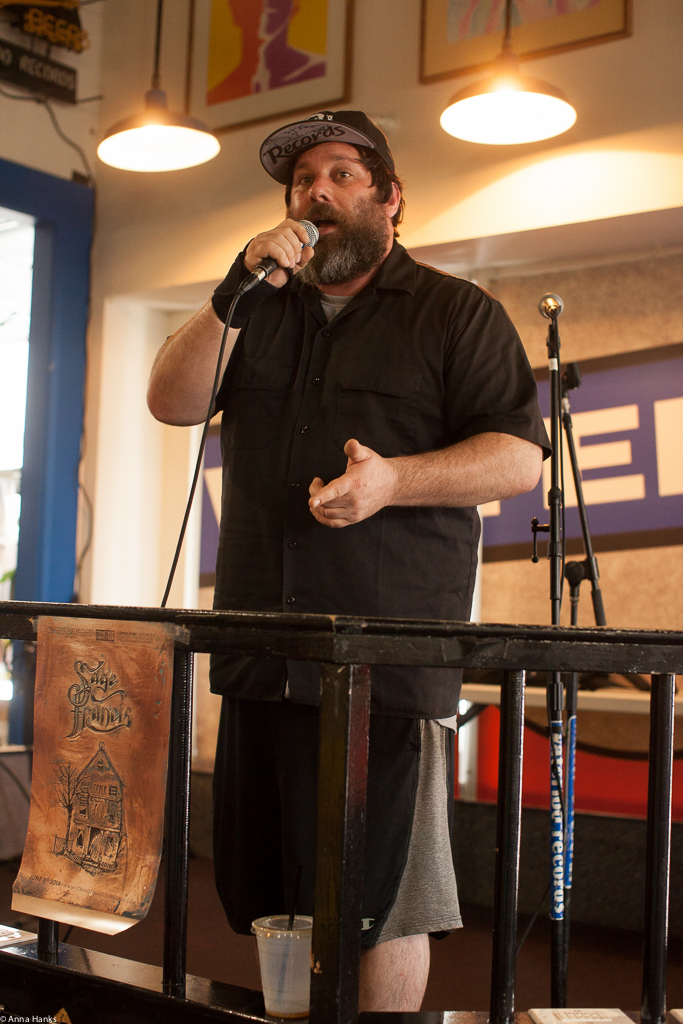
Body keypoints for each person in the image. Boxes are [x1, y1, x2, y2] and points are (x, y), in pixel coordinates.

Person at [147, 110, 549, 1012]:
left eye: (339, 174)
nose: (315, 192)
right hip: (262, 650)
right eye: (300, 182)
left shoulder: (454, 312)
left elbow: (517, 459)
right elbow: (171, 401)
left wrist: (393, 481)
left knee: (383, 903)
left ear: (390, 198)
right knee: (267, 897)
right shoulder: (255, 309)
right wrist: (230, 289)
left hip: (386, 670)